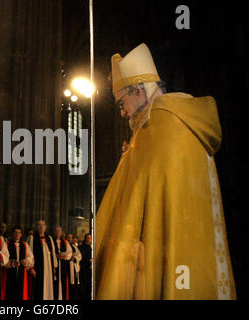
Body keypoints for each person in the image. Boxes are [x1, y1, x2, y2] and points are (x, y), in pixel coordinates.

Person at [96, 43, 236, 299]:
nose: (122, 112)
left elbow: (130, 207)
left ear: (138, 91)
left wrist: (129, 158)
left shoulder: (158, 125)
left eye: (121, 103)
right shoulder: (185, 118)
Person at [26, 220, 57, 300]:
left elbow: (53, 253)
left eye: (43, 225)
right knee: (38, 289)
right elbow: (29, 254)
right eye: (39, 225)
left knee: (48, 287)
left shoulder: (49, 238)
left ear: (45, 227)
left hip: (49, 268)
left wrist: (54, 266)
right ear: (36, 227)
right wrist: (31, 268)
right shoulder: (32, 238)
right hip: (38, 268)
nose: (41, 227)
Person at [3, 227, 34, 300]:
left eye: (19, 232)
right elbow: (4, 255)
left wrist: (26, 260)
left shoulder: (25, 244)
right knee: (10, 292)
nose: (17, 234)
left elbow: (31, 256)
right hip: (10, 272)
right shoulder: (7, 243)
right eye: (16, 232)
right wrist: (10, 262)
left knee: (20, 292)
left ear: (21, 235)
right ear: (12, 233)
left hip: (21, 271)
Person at [52, 226, 72, 300]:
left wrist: (64, 256)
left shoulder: (65, 242)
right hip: (54, 266)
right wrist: (55, 256)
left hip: (63, 265)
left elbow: (69, 253)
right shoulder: (51, 241)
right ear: (54, 232)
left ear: (61, 233)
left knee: (62, 283)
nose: (58, 232)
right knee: (54, 283)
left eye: (59, 231)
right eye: (56, 231)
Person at [66, 233, 82, 300]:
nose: (70, 239)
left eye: (71, 237)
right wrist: (69, 257)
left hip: (74, 267)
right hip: (67, 267)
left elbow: (79, 256)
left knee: (74, 284)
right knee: (68, 284)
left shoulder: (74, 246)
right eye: (68, 237)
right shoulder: (64, 245)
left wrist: (74, 258)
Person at [79, 233, 92, 300]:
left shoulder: (91, 246)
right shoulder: (82, 247)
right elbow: (81, 257)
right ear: (85, 238)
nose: (89, 239)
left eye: (90, 238)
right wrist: (88, 260)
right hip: (84, 268)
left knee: (89, 284)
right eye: (87, 237)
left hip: (90, 269)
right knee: (84, 284)